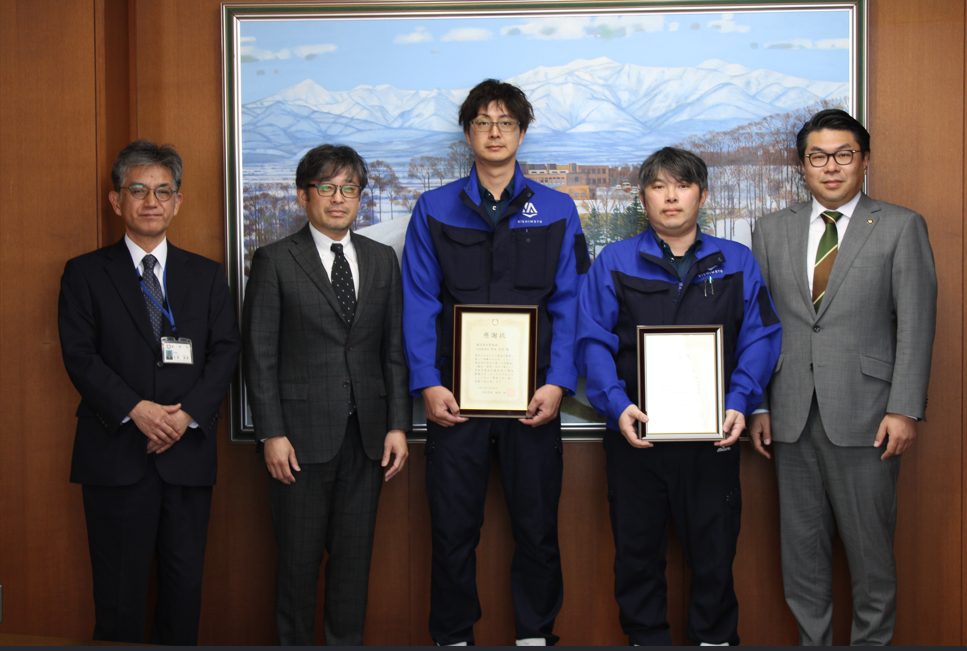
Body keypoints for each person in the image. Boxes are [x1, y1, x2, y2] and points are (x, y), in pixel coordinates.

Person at [401, 79, 590, 646]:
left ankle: (535, 635)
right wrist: (427, 382)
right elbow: (419, 300)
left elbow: (570, 301)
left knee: (537, 529)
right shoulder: (434, 209)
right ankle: (453, 636)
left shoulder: (556, 209)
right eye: (483, 122)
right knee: (452, 529)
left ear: (522, 133)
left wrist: (559, 382)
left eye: (506, 122)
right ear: (468, 134)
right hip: (454, 401)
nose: (494, 132)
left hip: (534, 400)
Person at [576, 147, 781, 646]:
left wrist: (739, 401)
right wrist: (616, 405)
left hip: (713, 438)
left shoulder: (736, 262)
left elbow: (760, 337)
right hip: (636, 436)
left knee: (715, 556)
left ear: (702, 195)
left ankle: (714, 639)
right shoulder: (614, 262)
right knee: (637, 558)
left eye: (683, 186)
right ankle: (646, 640)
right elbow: (592, 341)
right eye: (658, 187)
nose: (671, 197)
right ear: (643, 197)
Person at [749, 109, 937, 645]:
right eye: (818, 156)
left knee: (871, 558)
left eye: (843, 155)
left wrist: (904, 408)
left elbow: (917, 323)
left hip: (869, 418)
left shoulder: (900, 226)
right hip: (790, 416)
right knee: (802, 559)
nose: (830, 167)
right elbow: (760, 325)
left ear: (864, 161)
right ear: (802, 166)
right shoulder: (771, 229)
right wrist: (759, 404)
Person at [57, 140, 240, 644]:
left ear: (178, 201)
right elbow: (80, 356)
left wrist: (185, 416)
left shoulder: (207, 276)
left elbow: (226, 352)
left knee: (184, 592)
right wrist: (136, 410)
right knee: (118, 597)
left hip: (187, 456)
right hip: (116, 455)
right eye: (138, 190)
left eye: (163, 191)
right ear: (116, 200)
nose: (151, 201)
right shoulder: (84, 274)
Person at [243, 144, 410, 645]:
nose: (339, 199)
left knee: (353, 569)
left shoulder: (381, 260)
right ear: (303, 195)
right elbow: (259, 355)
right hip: (298, 442)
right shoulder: (275, 260)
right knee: (296, 569)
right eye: (327, 188)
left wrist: (397, 425)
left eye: (349, 188)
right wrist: (271, 433)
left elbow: (393, 351)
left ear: (360, 197)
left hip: (367, 440)